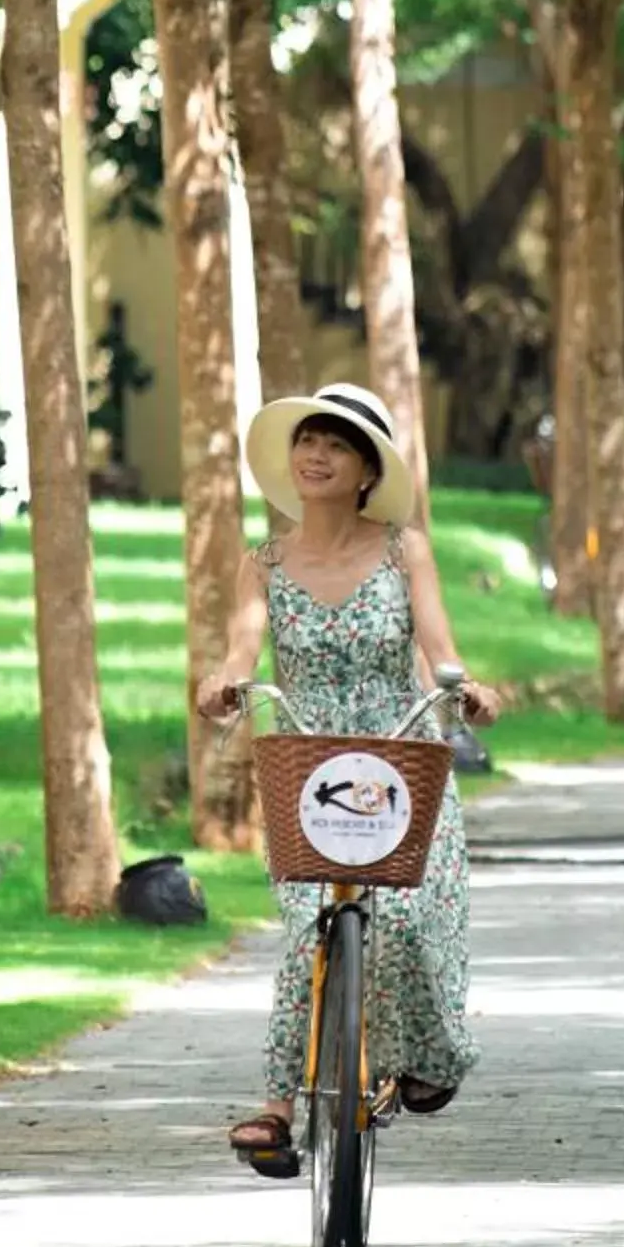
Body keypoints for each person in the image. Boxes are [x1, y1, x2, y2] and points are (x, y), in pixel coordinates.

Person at [197, 382, 499, 1165]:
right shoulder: (262, 562)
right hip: (308, 766)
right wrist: (221, 684)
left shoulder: (404, 550)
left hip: (400, 761)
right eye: (307, 442)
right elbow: (241, 654)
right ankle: (275, 1108)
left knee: (402, 921)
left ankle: (409, 1059)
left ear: (369, 468)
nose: (316, 455)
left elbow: (441, 651)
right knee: (308, 931)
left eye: (336, 445)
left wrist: (467, 690)